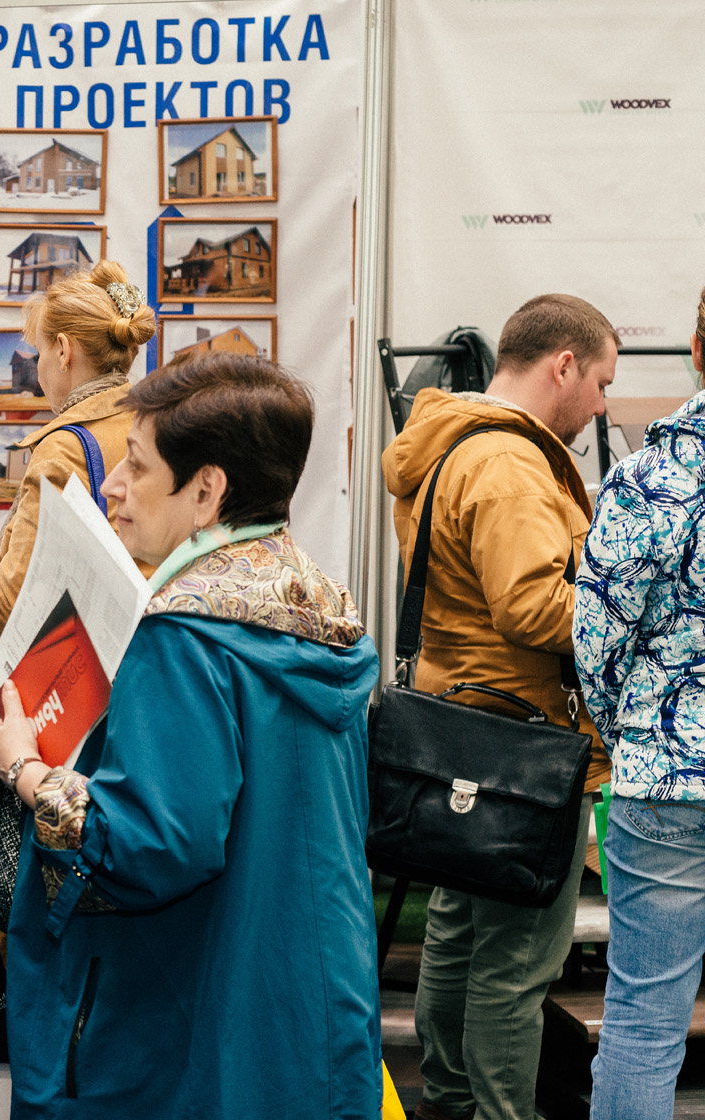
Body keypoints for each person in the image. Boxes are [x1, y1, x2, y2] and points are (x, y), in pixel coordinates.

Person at [0, 352, 383, 1118]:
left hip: (195, 1002)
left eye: (135, 465)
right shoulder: (318, 605)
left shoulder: (184, 635)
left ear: (207, 491)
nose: (112, 486)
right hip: (308, 984)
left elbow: (152, 843)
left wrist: (27, 769)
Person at [382, 292, 618, 1120]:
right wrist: (625, 616)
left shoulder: (452, 440)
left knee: (457, 939)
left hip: (463, 739)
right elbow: (529, 607)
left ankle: (447, 1103)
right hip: (525, 752)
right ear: (562, 366)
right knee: (516, 968)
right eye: (598, 383)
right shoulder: (513, 464)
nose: (599, 407)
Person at [575, 286, 705, 1119]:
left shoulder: (650, 479)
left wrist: (637, 726)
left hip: (665, 782)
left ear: (698, 345)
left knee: (645, 1020)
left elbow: (598, 642)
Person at [0, 261, 156, 633]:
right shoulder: (156, 423)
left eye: (39, 351)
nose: (38, 366)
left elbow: (11, 606)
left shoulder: (64, 448)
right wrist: (4, 556)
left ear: (63, 351)